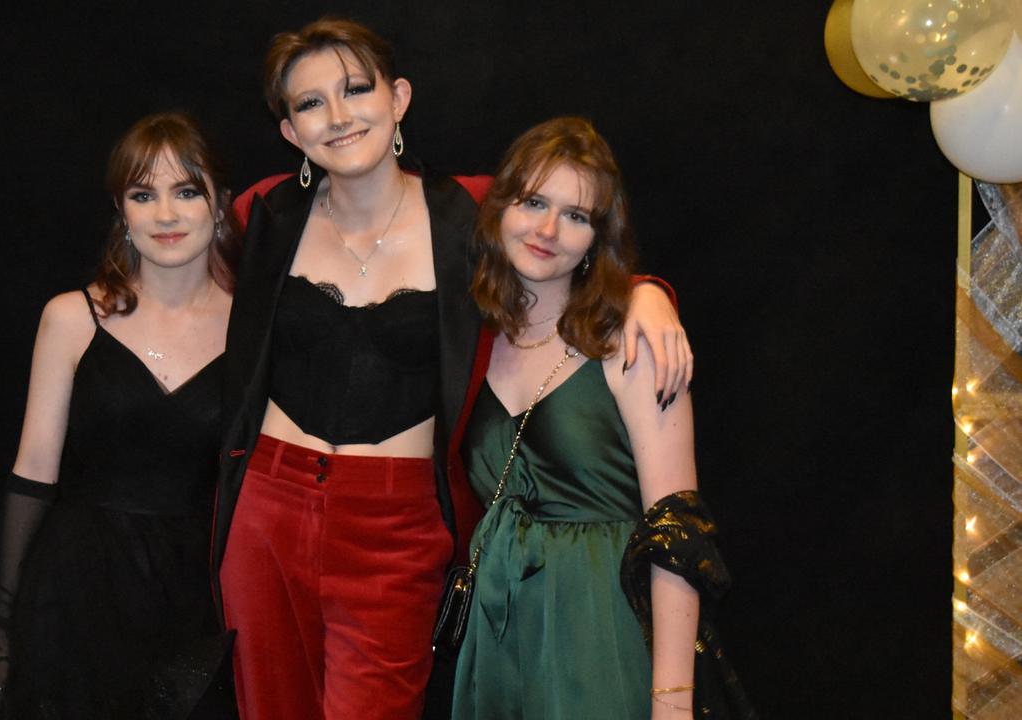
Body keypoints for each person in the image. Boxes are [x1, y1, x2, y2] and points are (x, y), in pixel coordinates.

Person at [213, 19, 692, 720]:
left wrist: (649, 294)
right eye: (310, 103)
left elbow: (570, 235)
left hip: (398, 524)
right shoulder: (261, 215)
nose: (339, 116)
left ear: (398, 97)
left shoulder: (471, 210)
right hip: (266, 508)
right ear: (289, 131)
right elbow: (180, 292)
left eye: (355, 89)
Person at [451, 116, 744, 719]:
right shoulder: (468, 341)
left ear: (597, 238)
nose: (549, 230)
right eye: (534, 202)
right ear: (499, 207)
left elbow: (678, 534)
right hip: (497, 640)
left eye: (577, 215)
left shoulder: (635, 345)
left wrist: (672, 701)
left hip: (602, 636)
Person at [0, 112, 239, 720]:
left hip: (198, 600)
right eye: (144, 195)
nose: (165, 214)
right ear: (122, 210)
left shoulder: (254, 328)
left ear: (219, 204)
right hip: (76, 595)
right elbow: (32, 474)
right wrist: (2, 629)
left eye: (186, 191)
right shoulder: (71, 317)